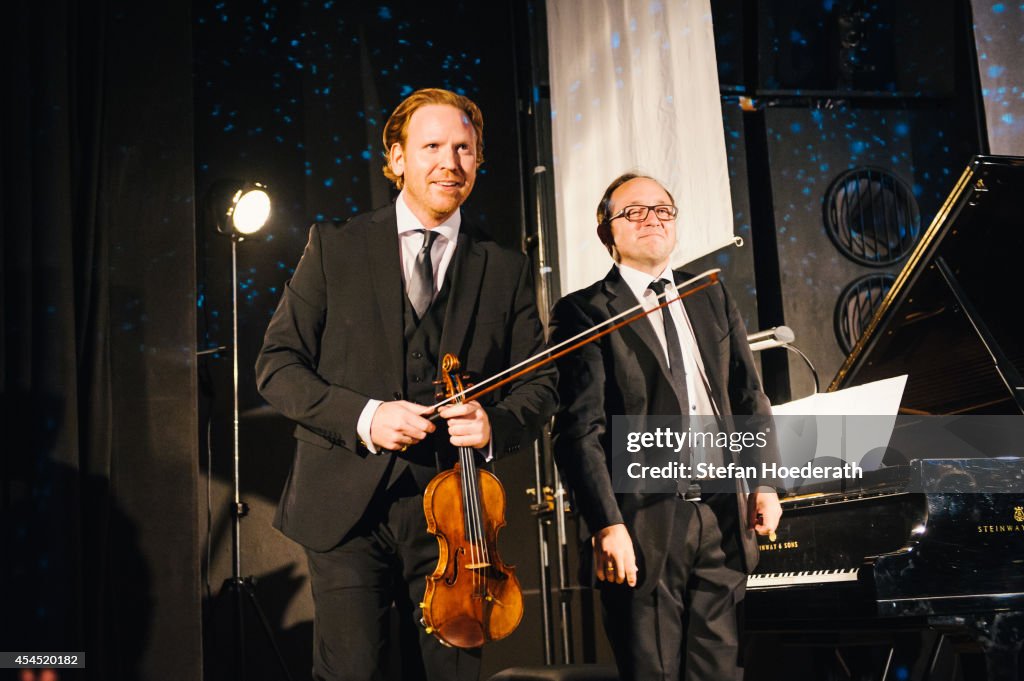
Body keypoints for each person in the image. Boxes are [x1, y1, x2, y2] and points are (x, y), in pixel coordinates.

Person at [256, 88, 557, 681]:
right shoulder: (334, 245)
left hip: (457, 512)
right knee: (353, 672)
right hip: (344, 505)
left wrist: (495, 421)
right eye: (432, 147)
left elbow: (541, 383)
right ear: (395, 158)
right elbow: (278, 366)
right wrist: (368, 416)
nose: (450, 161)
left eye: (464, 148)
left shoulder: (505, 267)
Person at [549, 172, 783, 681]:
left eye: (662, 210)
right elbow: (577, 432)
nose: (651, 219)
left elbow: (748, 396)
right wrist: (607, 524)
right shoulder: (583, 312)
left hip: (722, 518)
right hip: (643, 525)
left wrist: (764, 479)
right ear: (607, 231)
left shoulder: (711, 297)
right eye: (633, 211)